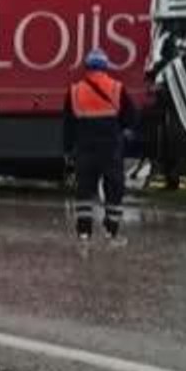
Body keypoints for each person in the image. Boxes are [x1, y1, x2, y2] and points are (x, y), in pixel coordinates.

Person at [63, 48, 138, 244]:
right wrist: (122, 130)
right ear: (105, 67)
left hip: (85, 148)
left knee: (85, 190)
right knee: (114, 188)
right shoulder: (116, 87)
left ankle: (84, 233)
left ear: (86, 67)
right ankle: (111, 232)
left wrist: (67, 150)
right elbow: (131, 117)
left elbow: (68, 125)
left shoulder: (75, 90)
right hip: (110, 148)